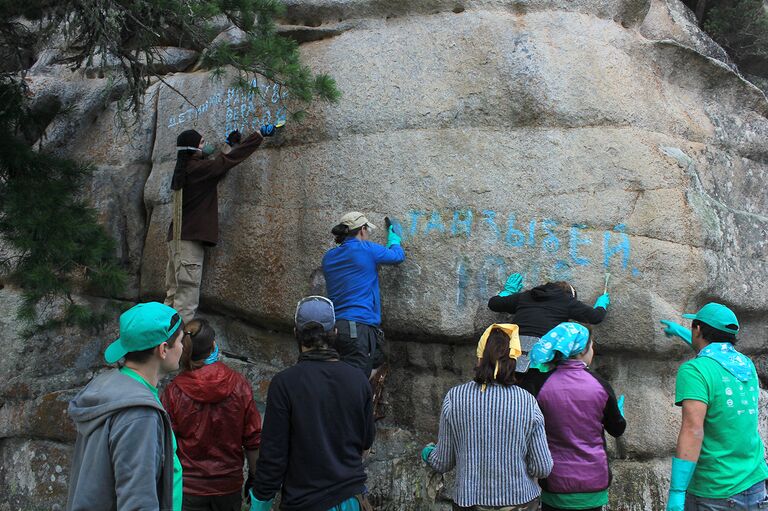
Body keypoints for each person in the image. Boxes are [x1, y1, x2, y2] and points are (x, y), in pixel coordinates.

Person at [249, 296, 375, 511]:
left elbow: (273, 457)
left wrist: (260, 503)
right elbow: (366, 441)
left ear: (296, 333)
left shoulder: (285, 384)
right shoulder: (358, 380)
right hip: (352, 500)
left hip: (304, 501)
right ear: (335, 332)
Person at [66, 302, 185, 511]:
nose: (183, 348)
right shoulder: (138, 414)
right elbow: (138, 502)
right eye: (181, 341)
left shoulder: (111, 385)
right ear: (163, 349)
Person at [421, 324, 553, 511]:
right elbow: (542, 467)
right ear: (513, 361)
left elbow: (443, 461)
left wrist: (427, 452)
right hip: (520, 501)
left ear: (479, 357)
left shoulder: (455, 397)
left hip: (469, 501)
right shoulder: (527, 402)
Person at [660, 303, 768, 511]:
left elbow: (693, 430)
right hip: (755, 486)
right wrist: (681, 331)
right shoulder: (746, 365)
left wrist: (676, 493)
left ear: (698, 330)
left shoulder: (694, 371)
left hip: (715, 492)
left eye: (692, 328)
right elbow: (717, 356)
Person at [165, 125, 277, 323]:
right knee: (186, 300)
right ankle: (178, 347)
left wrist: (227, 145)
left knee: (173, 295)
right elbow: (225, 163)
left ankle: (161, 342)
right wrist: (257, 136)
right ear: (192, 149)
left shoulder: (184, 169)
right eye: (201, 143)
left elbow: (215, 168)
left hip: (176, 239)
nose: (205, 145)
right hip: (189, 242)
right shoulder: (197, 169)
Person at [160, 319, 262, 511]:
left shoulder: (174, 392)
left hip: (188, 489)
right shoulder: (239, 385)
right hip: (228, 487)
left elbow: (165, 443)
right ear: (214, 345)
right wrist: (255, 478)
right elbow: (253, 438)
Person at [523, 322, 626, 511]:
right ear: (581, 350)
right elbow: (617, 429)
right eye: (591, 346)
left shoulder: (541, 385)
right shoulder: (600, 385)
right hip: (593, 483)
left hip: (554, 482)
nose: (592, 350)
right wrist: (619, 414)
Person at [322, 212, 405, 377]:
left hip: (336, 327)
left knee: (346, 375)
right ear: (362, 230)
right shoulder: (366, 249)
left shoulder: (328, 257)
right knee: (356, 381)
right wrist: (394, 240)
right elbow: (398, 256)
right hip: (358, 326)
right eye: (367, 230)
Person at [487, 274, 609, 372]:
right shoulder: (566, 301)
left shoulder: (526, 296)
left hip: (513, 351)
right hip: (543, 355)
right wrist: (601, 305)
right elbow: (596, 317)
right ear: (571, 296)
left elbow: (494, 303)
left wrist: (508, 291)